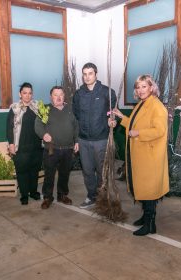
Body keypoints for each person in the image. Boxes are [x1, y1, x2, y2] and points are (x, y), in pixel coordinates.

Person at [112, 74, 169, 236]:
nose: (141, 90)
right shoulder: (142, 104)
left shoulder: (156, 106)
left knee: (149, 191)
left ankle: (150, 224)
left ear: (151, 87)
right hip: (141, 155)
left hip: (150, 157)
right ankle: (146, 217)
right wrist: (122, 117)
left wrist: (139, 133)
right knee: (143, 189)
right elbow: (134, 123)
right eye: (138, 87)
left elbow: (159, 130)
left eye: (144, 86)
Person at [73, 62, 116, 208]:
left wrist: (111, 121)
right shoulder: (79, 94)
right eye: (84, 74)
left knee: (102, 170)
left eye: (90, 73)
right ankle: (91, 196)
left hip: (101, 139)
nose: (87, 77)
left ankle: (102, 196)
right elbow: (76, 115)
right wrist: (77, 138)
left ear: (96, 74)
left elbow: (112, 112)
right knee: (87, 170)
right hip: (84, 139)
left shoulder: (107, 92)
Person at [35, 86, 79, 209]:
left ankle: (62, 195)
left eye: (61, 95)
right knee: (49, 175)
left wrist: (77, 140)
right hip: (51, 149)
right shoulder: (45, 110)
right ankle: (48, 197)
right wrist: (44, 134)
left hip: (68, 149)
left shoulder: (70, 110)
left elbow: (76, 126)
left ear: (64, 96)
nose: (58, 97)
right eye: (55, 95)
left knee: (65, 174)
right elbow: (38, 125)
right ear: (51, 97)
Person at [6, 82, 43, 205]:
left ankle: (33, 192)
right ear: (20, 94)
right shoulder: (15, 108)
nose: (27, 96)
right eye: (25, 93)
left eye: (30, 93)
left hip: (36, 146)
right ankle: (24, 195)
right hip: (20, 147)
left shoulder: (37, 107)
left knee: (34, 171)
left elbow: (45, 123)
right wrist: (11, 144)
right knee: (22, 172)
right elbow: (9, 127)